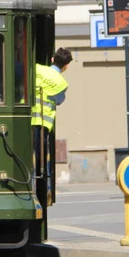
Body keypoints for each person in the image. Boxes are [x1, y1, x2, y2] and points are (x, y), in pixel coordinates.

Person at [32, 48, 73, 183]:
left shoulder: (36, 68)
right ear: (66, 66)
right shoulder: (62, 84)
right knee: (38, 154)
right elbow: (59, 100)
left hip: (25, 117)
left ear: (52, 59)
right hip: (42, 122)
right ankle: (38, 176)